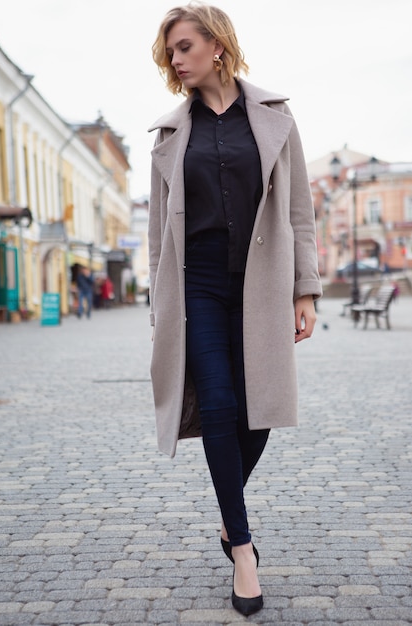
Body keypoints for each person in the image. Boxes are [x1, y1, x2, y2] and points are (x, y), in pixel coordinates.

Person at [148, 2, 322, 617]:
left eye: (185, 46)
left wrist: (305, 289)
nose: (176, 59)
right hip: (198, 288)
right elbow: (154, 234)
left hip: (263, 284)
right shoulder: (170, 134)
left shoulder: (275, 118)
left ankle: (227, 518)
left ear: (218, 46)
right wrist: (156, 305)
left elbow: (299, 211)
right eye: (170, 51)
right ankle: (242, 547)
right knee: (219, 402)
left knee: (260, 410)